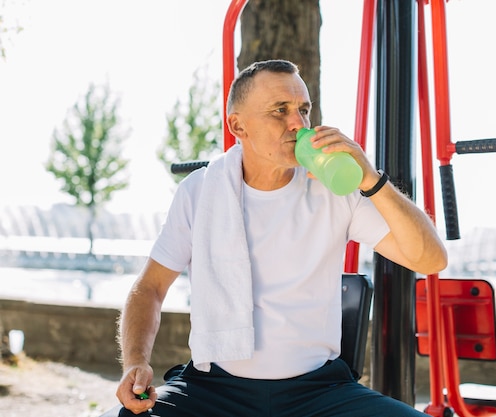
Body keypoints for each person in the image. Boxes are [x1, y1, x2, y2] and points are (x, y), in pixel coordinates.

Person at [102, 59, 447, 417]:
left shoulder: (335, 191)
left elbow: (430, 259)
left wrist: (372, 180)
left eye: (303, 109)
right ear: (238, 125)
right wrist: (135, 363)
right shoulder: (201, 191)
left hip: (319, 392)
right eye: (279, 110)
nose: (297, 123)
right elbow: (150, 289)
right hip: (214, 390)